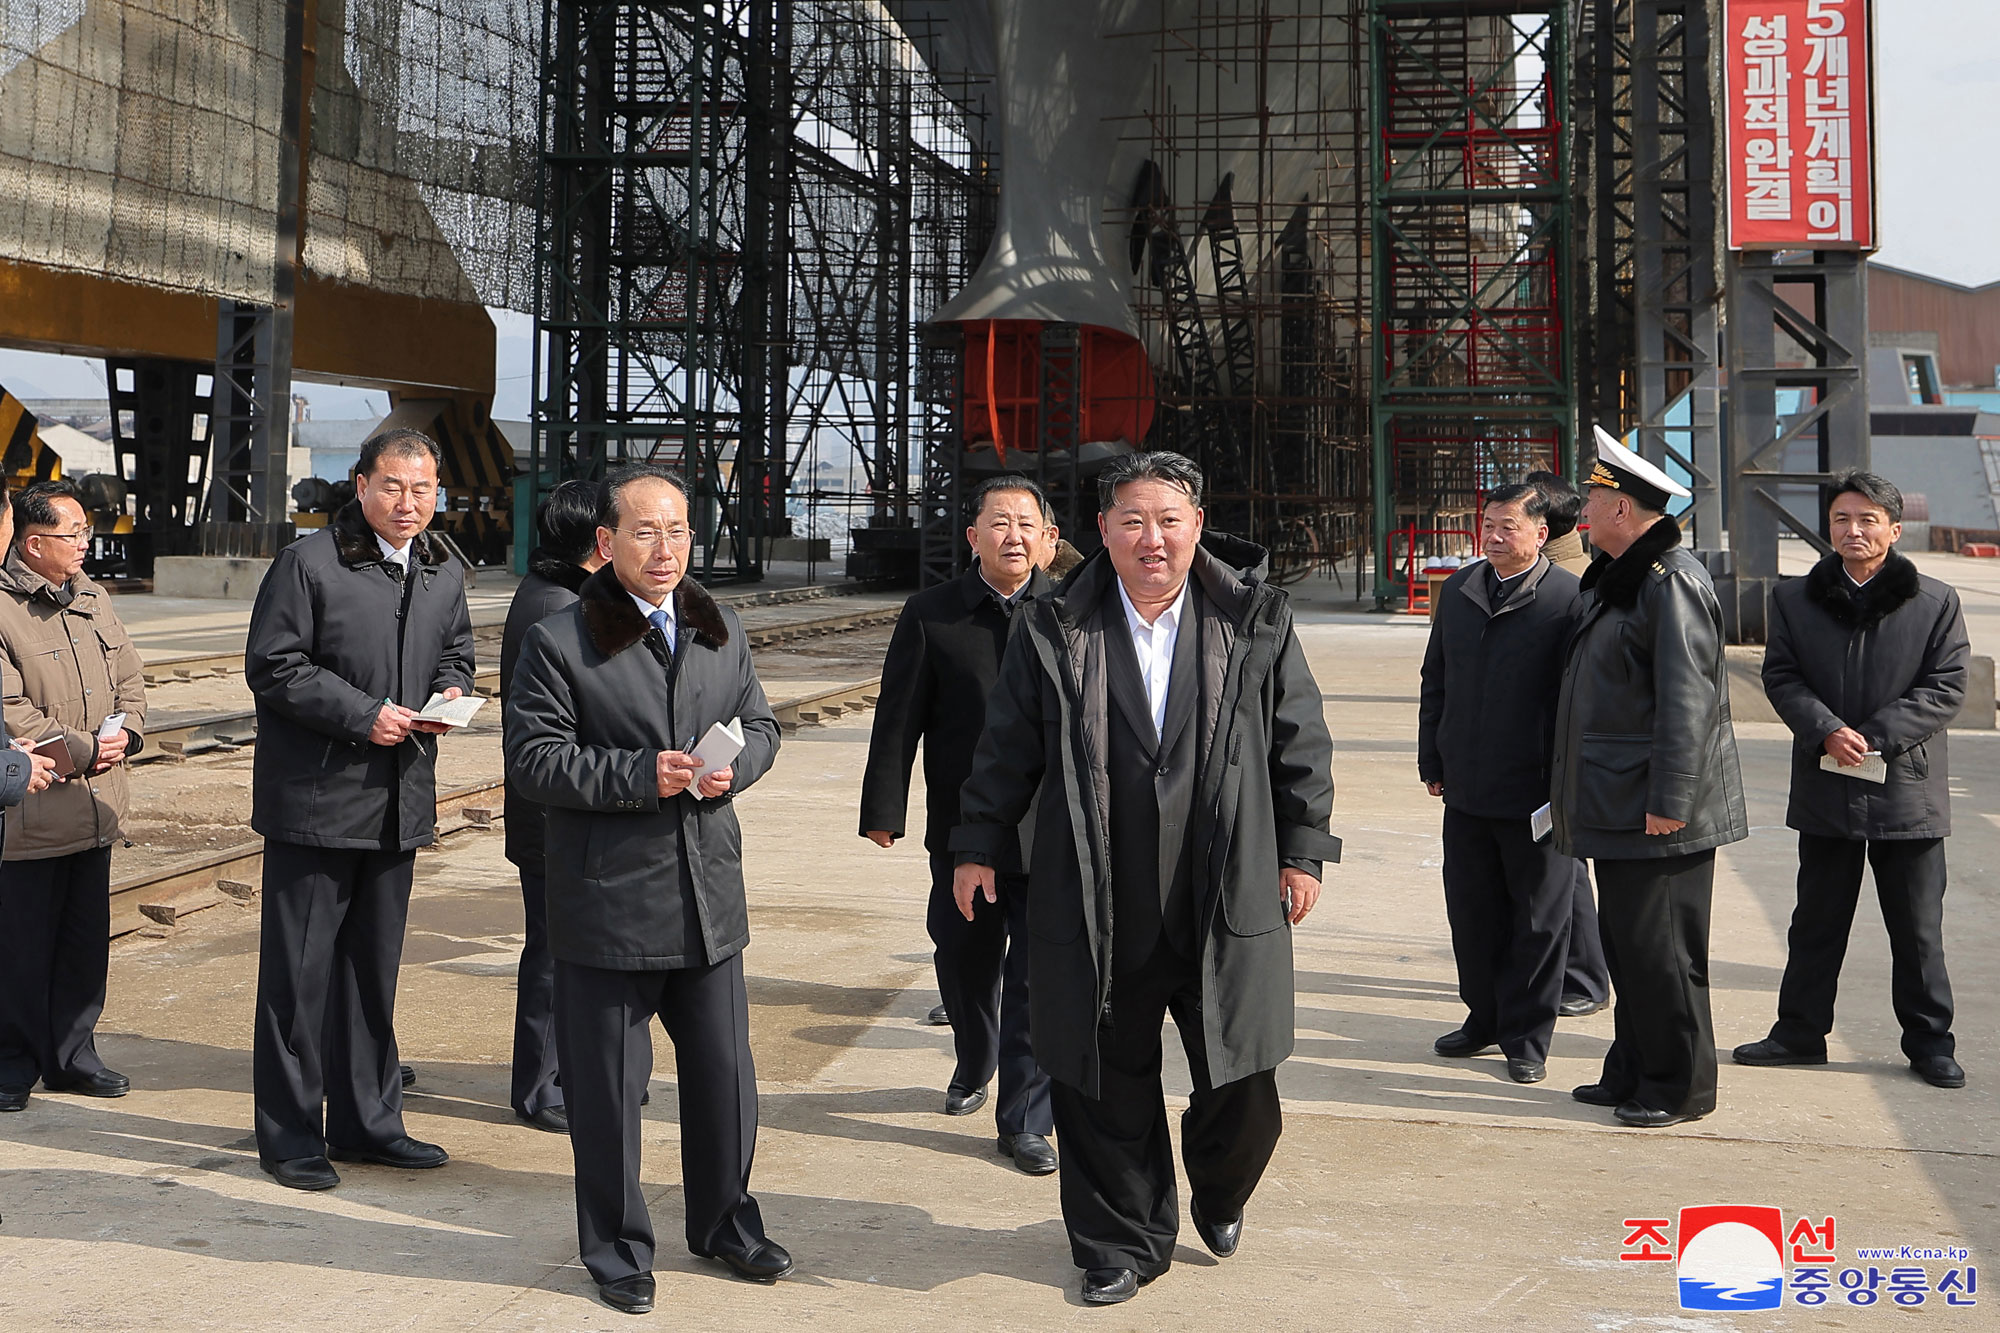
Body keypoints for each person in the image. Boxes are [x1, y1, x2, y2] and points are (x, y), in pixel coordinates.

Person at [952, 450, 1339, 1305]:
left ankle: (1220, 1182)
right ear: (1102, 532)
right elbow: (1006, 745)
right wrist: (975, 843)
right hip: (1098, 894)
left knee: (1244, 1079)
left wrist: (1302, 850)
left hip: (1224, 888)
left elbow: (1298, 740)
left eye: (1168, 520)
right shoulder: (1055, 624)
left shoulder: (1254, 618)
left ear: (1197, 525)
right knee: (1100, 1078)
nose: (1151, 538)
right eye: (1133, 520)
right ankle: (1117, 1243)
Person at [507, 462, 791, 1315]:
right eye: (643, 531)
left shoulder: (718, 627)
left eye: (676, 531)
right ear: (605, 545)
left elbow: (764, 723)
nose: (664, 550)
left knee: (724, 1078)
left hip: (708, 895)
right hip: (609, 902)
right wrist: (642, 773)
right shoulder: (561, 640)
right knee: (606, 1095)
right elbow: (532, 762)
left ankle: (725, 1221)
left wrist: (734, 768)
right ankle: (617, 1247)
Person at [246, 429, 475, 1191]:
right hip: (315, 802)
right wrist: (362, 713)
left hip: (398, 801)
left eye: (423, 488)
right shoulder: (308, 564)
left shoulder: (443, 567)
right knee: (299, 979)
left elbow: (458, 652)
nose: (409, 503)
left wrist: (448, 692)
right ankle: (289, 1135)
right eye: (393, 487)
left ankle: (369, 1123)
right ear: (360, 484)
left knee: (371, 975)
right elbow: (274, 665)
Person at [1733, 472, 1970, 1090]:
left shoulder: (1936, 601)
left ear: (1894, 528)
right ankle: (1799, 1033)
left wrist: (1877, 736)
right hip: (1828, 779)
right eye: (1842, 519)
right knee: (1816, 918)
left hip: (1906, 789)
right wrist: (1827, 730)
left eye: (1868, 520)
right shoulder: (1794, 599)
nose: (1854, 530)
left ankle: (1930, 1043)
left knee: (1916, 929)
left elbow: (1946, 687)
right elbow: (1781, 676)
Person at [859, 474, 1059, 1174]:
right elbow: (898, 718)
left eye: (1027, 524)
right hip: (962, 824)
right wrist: (884, 808)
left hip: (1050, 826)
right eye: (998, 522)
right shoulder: (932, 613)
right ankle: (974, 1059)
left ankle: (1026, 1120)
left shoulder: (1071, 611)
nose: (1014, 535)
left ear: (1050, 540)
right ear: (973, 537)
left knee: (1039, 973)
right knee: (963, 957)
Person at [1553, 429, 1746, 1128]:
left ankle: (1677, 1084)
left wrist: (1671, 799)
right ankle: (1633, 1067)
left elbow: (1688, 701)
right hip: (1619, 797)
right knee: (1631, 944)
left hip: (1658, 807)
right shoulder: (1622, 578)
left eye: (1595, 499)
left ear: (1625, 511)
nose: (1583, 511)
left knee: (1665, 951)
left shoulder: (1671, 584)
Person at [1418, 482, 1583, 1084]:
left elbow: (1578, 703)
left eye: (1507, 526)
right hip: (1466, 784)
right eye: (1487, 523)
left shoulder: (1569, 598)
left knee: (1538, 920)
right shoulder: (1461, 590)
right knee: (1472, 910)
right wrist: (1432, 757)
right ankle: (1482, 1018)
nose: (1492, 535)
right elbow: (1435, 676)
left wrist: (1565, 783)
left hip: (1536, 791)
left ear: (1542, 534)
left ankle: (1527, 1037)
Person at [0, 480, 141, 1112]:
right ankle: (11, 1063)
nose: (87, 543)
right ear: (32, 544)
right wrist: (86, 749)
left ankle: (73, 1055)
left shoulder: (93, 596)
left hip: (95, 810)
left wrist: (129, 732)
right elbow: (11, 715)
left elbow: (131, 677)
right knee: (21, 951)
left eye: (85, 532)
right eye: (73, 535)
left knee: (84, 945)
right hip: (30, 815)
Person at [496, 480, 607, 1133]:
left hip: (558, 807)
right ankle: (539, 1085)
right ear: (600, 540)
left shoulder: (558, 594)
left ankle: (569, 1070)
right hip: (551, 810)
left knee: (570, 947)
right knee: (552, 949)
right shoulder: (556, 607)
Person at [1524, 468, 1611, 1019]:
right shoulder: (1557, 571)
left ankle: (1584, 975)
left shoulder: (1570, 582)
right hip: (1536, 743)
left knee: (1565, 864)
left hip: (1559, 746)